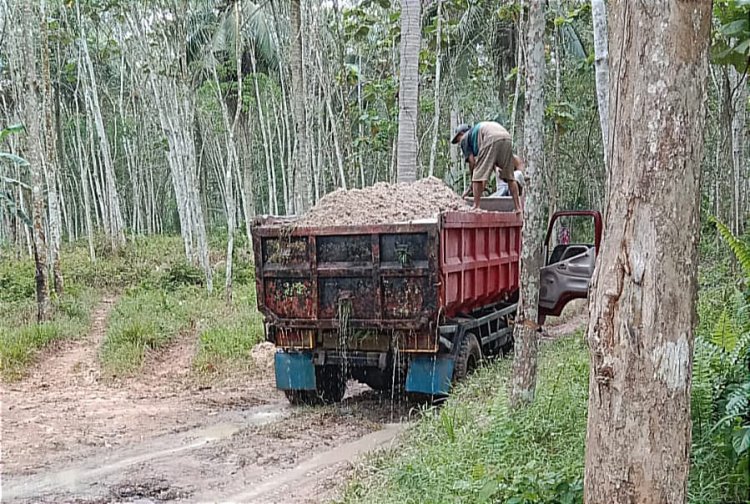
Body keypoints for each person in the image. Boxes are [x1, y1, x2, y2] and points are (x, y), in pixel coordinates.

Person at [451, 122, 521, 212]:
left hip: (490, 138)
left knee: (477, 174)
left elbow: (472, 162)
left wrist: (473, 179)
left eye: (458, 140)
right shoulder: (476, 134)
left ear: (461, 134)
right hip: (506, 136)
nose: (459, 143)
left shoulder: (465, 138)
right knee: (510, 177)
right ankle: (518, 208)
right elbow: (491, 163)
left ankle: (476, 206)